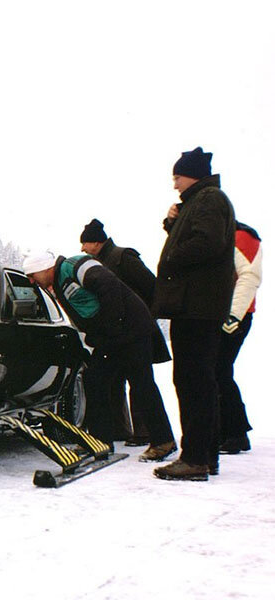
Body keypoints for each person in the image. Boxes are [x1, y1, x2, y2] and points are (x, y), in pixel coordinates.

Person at [22, 251, 176, 462]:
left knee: (142, 384)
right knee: (94, 379)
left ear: (45, 268)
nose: (31, 281)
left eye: (32, 275)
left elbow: (108, 285)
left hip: (131, 332)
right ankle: (100, 440)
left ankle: (163, 441)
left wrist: (112, 328)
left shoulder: (74, 266)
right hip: (115, 337)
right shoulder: (59, 281)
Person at [152, 147, 235, 482]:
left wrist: (172, 259)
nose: (175, 184)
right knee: (197, 380)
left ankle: (195, 458)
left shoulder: (209, 199)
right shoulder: (201, 201)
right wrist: (172, 224)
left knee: (191, 381)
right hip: (196, 305)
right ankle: (205, 455)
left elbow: (207, 243)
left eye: (178, 177)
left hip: (197, 307)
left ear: (193, 175)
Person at [80, 218, 171, 445]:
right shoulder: (99, 263)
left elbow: (152, 286)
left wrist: (144, 316)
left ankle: (145, 433)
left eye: (85, 243)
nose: (82, 248)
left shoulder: (124, 258)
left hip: (134, 329)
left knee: (139, 381)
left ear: (96, 242)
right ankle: (120, 430)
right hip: (116, 332)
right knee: (114, 381)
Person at [216, 222, 262, 454]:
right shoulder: (227, 236)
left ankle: (235, 434)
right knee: (219, 372)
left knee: (220, 371)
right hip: (227, 315)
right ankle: (230, 432)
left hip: (234, 316)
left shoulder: (240, 236)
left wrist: (233, 316)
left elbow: (249, 277)